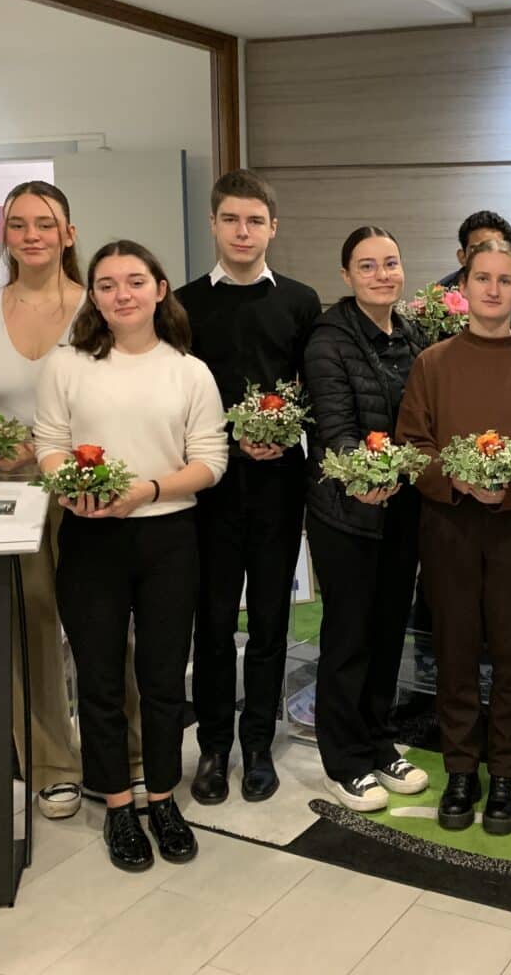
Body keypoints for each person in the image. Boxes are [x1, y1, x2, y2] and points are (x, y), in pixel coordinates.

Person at [34, 240, 227, 872]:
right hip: (90, 536)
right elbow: (50, 444)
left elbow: (210, 462)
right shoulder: (66, 365)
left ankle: (163, 797)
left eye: (135, 281)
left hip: (168, 537)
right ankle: (118, 804)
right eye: (108, 284)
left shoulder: (189, 371)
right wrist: (72, 489)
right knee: (98, 678)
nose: (122, 294)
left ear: (160, 290)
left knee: (164, 679)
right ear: (92, 295)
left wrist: (146, 490)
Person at [0, 179, 144, 821]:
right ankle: (52, 765)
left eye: (45, 223)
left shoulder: (98, 305)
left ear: (69, 233)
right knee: (29, 628)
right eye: (18, 224)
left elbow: (120, 401)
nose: (31, 235)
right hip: (7, 496)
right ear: (4, 235)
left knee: (104, 627)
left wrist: (42, 450)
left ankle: (129, 753)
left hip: (88, 490)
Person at [396, 238, 511, 836]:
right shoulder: (432, 363)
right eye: (482, 278)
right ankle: (461, 770)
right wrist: (456, 480)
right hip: (450, 529)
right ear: (463, 287)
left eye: (505, 280)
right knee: (456, 652)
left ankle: (506, 775)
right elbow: (412, 444)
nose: (493, 289)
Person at [175, 170, 322, 806]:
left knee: (268, 622)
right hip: (206, 489)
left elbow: (315, 391)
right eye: (231, 219)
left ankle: (258, 743)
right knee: (211, 624)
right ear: (213, 224)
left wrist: (287, 436)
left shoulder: (300, 301)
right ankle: (213, 745)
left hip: (277, 488)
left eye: (255, 221)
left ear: (272, 228)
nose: (243, 231)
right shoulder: (182, 305)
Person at [302, 226, 429, 811]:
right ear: (347, 276)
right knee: (349, 636)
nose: (382, 275)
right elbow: (336, 428)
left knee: (387, 632)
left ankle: (379, 741)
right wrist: (367, 477)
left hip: (402, 508)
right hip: (346, 513)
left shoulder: (413, 333)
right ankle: (344, 759)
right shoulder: (328, 339)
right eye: (368, 265)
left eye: (391, 263)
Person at [436, 210, 511, 339]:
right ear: (462, 257)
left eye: (497, 249)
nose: (488, 257)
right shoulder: (435, 303)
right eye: (477, 250)